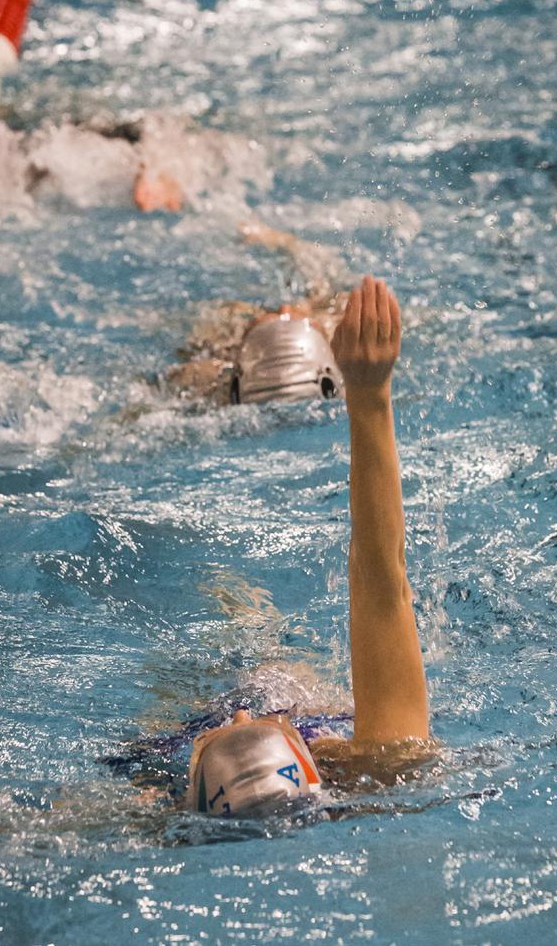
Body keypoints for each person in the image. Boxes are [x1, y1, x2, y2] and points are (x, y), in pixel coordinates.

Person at [185, 276, 431, 815]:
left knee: (237, 613)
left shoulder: (148, 790)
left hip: (183, 722)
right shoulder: (385, 760)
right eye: (264, 732)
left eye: (220, 740)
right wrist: (369, 395)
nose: (242, 717)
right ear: (313, 764)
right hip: (305, 702)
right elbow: (381, 583)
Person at [168, 221, 350, 405]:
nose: (284, 308)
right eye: (295, 318)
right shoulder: (339, 327)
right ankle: (285, 242)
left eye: (267, 321)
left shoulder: (211, 368)